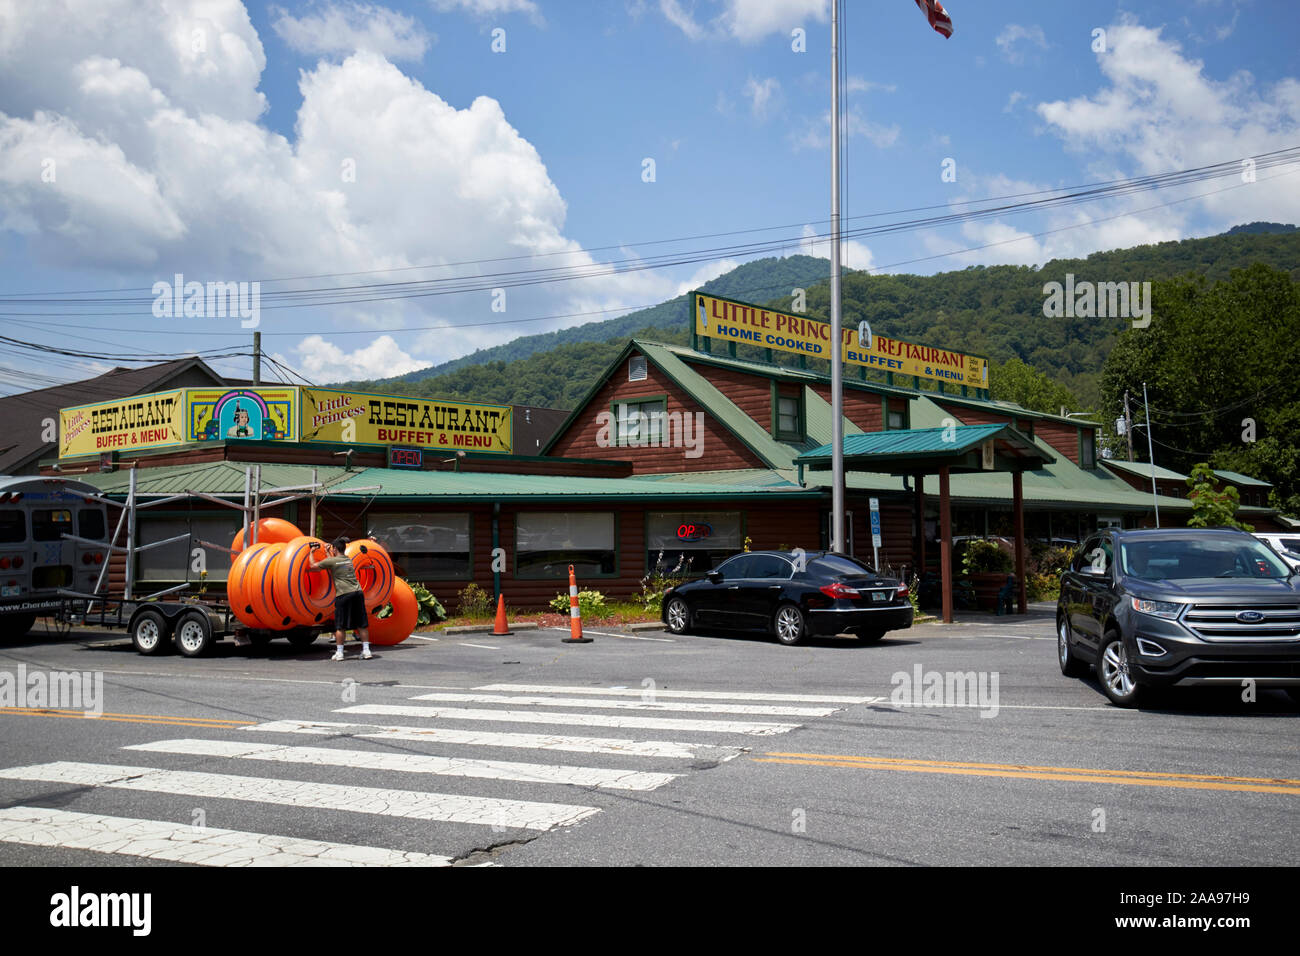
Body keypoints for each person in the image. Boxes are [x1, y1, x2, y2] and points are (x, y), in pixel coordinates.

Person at [310, 537, 371, 660]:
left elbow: (312, 566)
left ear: (335, 549)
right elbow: (333, 562)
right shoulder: (348, 559)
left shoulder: (333, 561)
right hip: (358, 592)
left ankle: (340, 653)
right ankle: (366, 651)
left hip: (344, 594)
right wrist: (329, 552)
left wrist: (311, 552)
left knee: (340, 626)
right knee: (361, 624)